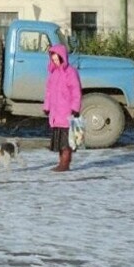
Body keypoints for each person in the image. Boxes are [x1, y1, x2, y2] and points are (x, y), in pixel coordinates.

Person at [43, 43, 82, 172]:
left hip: (66, 113)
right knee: (60, 142)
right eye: (53, 59)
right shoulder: (53, 74)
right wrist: (47, 107)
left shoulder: (70, 72)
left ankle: (65, 164)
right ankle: (61, 163)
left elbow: (76, 91)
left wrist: (75, 108)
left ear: (62, 57)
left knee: (66, 142)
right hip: (55, 114)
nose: (55, 61)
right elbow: (49, 92)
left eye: (57, 59)